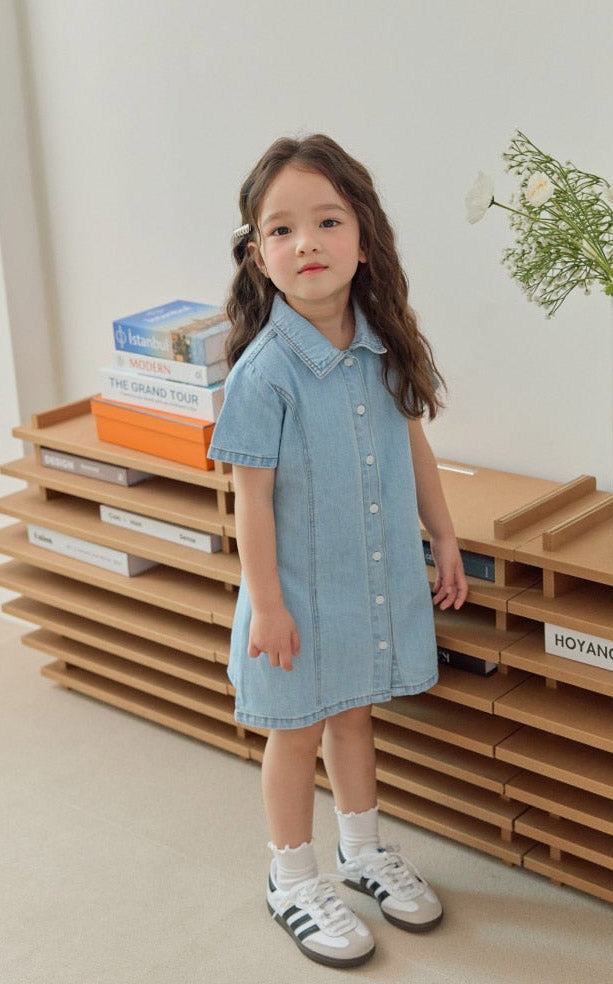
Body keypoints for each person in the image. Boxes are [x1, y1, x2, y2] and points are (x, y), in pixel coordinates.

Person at [208, 133, 468, 969]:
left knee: (354, 717)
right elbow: (250, 499)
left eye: (327, 221)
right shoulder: (262, 375)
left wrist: (444, 535)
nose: (307, 243)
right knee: (295, 732)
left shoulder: (383, 345)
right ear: (258, 257)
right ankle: (291, 877)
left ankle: (362, 851)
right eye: (281, 230)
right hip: (292, 598)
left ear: (362, 237)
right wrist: (268, 606)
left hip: (367, 585)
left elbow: (413, 448)